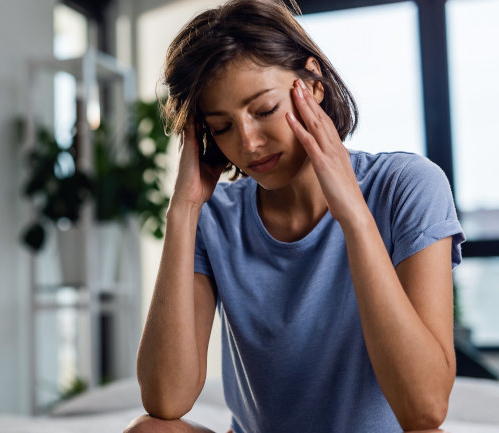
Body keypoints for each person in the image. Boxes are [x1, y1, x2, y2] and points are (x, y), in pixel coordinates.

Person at [124, 0, 465, 432]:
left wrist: (354, 215)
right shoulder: (215, 218)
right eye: (223, 127)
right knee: (150, 430)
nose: (248, 143)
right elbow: (166, 398)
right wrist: (184, 210)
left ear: (313, 83)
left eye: (264, 110)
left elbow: (425, 408)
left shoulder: (408, 185)